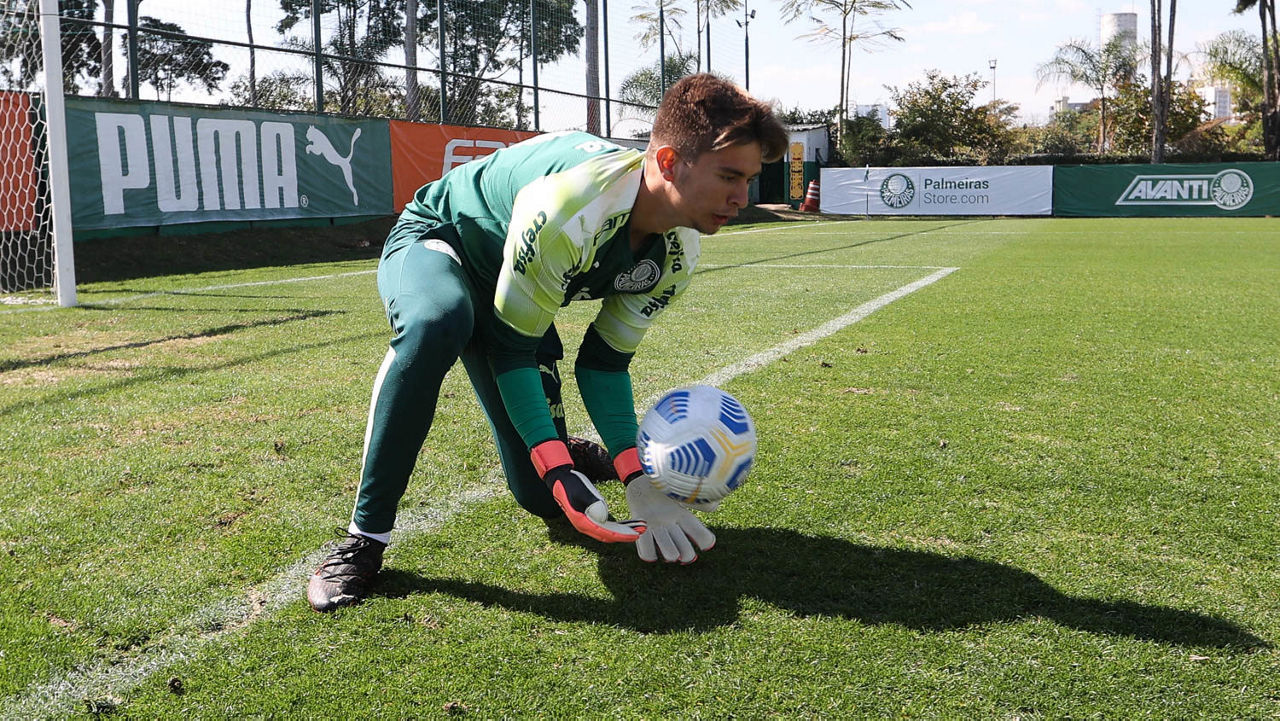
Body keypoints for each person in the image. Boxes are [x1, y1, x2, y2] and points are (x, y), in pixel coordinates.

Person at [307, 74, 788, 612]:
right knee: (437, 322)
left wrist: (636, 477)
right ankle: (365, 538)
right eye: (729, 176)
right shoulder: (571, 207)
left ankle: (571, 448)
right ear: (670, 162)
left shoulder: (680, 252)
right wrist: (558, 468)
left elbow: (604, 364)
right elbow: (512, 351)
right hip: (447, 239)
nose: (742, 198)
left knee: (541, 498)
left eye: (749, 180)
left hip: (514, 285)